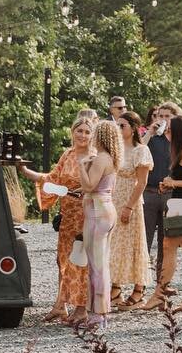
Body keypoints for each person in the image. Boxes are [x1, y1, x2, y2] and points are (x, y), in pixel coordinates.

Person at [17, 118, 92, 324]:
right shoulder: (67, 155)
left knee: (81, 259)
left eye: (87, 132)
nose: (83, 135)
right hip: (67, 213)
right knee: (63, 260)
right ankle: (61, 305)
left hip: (86, 212)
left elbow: (98, 185)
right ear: (73, 132)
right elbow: (52, 179)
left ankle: (81, 308)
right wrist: (25, 171)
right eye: (79, 131)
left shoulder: (93, 158)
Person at [143, 114, 182, 314]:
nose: (166, 132)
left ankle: (159, 294)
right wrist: (169, 182)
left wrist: (173, 183)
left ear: (178, 132)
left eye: (169, 129)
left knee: (168, 246)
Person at [74, 117, 121, 330]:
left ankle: (98, 314)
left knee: (97, 266)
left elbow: (89, 186)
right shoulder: (110, 158)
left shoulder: (101, 158)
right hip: (106, 209)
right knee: (101, 263)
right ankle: (101, 312)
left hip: (96, 212)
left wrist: (81, 165)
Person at [109, 111, 153, 309]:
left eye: (122, 126)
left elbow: (142, 182)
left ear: (134, 128)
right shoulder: (116, 149)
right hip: (114, 199)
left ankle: (139, 289)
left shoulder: (140, 150)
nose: (119, 129)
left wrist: (129, 206)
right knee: (115, 244)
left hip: (131, 200)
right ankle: (115, 287)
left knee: (134, 244)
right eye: (117, 126)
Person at [142, 102, 178, 261]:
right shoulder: (152, 137)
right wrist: (150, 132)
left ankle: (162, 283)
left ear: (175, 118)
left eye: (167, 116)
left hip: (171, 194)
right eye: (160, 116)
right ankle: (140, 283)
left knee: (167, 241)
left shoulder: (180, 139)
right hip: (149, 192)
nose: (163, 119)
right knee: (144, 239)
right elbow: (137, 151)